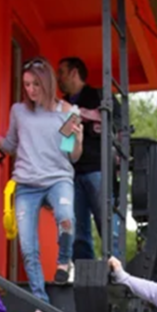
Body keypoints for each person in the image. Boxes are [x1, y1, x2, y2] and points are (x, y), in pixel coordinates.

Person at [0, 58, 83, 312]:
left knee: (66, 217)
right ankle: (40, 301)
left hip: (58, 178)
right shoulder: (19, 111)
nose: (31, 90)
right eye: (26, 85)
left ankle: (63, 262)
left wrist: (78, 140)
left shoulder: (68, 111)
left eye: (36, 84)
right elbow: (11, 146)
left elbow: (72, 156)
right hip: (26, 184)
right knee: (27, 247)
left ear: (47, 83)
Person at [56, 56, 117, 260]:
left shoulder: (100, 96)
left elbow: (118, 125)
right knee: (77, 231)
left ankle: (115, 270)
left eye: (62, 72)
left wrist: (80, 114)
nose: (58, 78)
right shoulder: (61, 104)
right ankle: (85, 272)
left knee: (108, 225)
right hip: (71, 173)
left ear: (74, 73)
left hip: (98, 169)